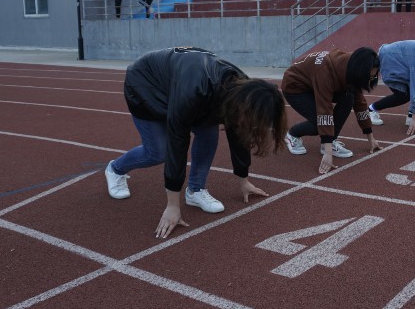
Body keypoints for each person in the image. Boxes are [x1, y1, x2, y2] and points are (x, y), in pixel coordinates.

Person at [103, 47, 287, 239]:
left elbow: (238, 132)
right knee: (159, 151)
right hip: (145, 84)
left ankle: (196, 190)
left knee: (209, 134)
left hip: (188, 83)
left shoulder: (243, 89)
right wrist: (173, 206)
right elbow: (177, 143)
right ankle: (115, 169)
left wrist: (244, 179)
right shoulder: (193, 92)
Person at [281, 48, 382, 174]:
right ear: (360, 72)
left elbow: (360, 103)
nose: (371, 80)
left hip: (313, 83)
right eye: (370, 77)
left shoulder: (353, 65)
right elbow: (324, 109)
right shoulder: (326, 72)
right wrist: (328, 154)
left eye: (374, 76)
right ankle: (292, 134)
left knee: (349, 97)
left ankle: (330, 141)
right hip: (296, 87)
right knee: (319, 124)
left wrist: (371, 138)